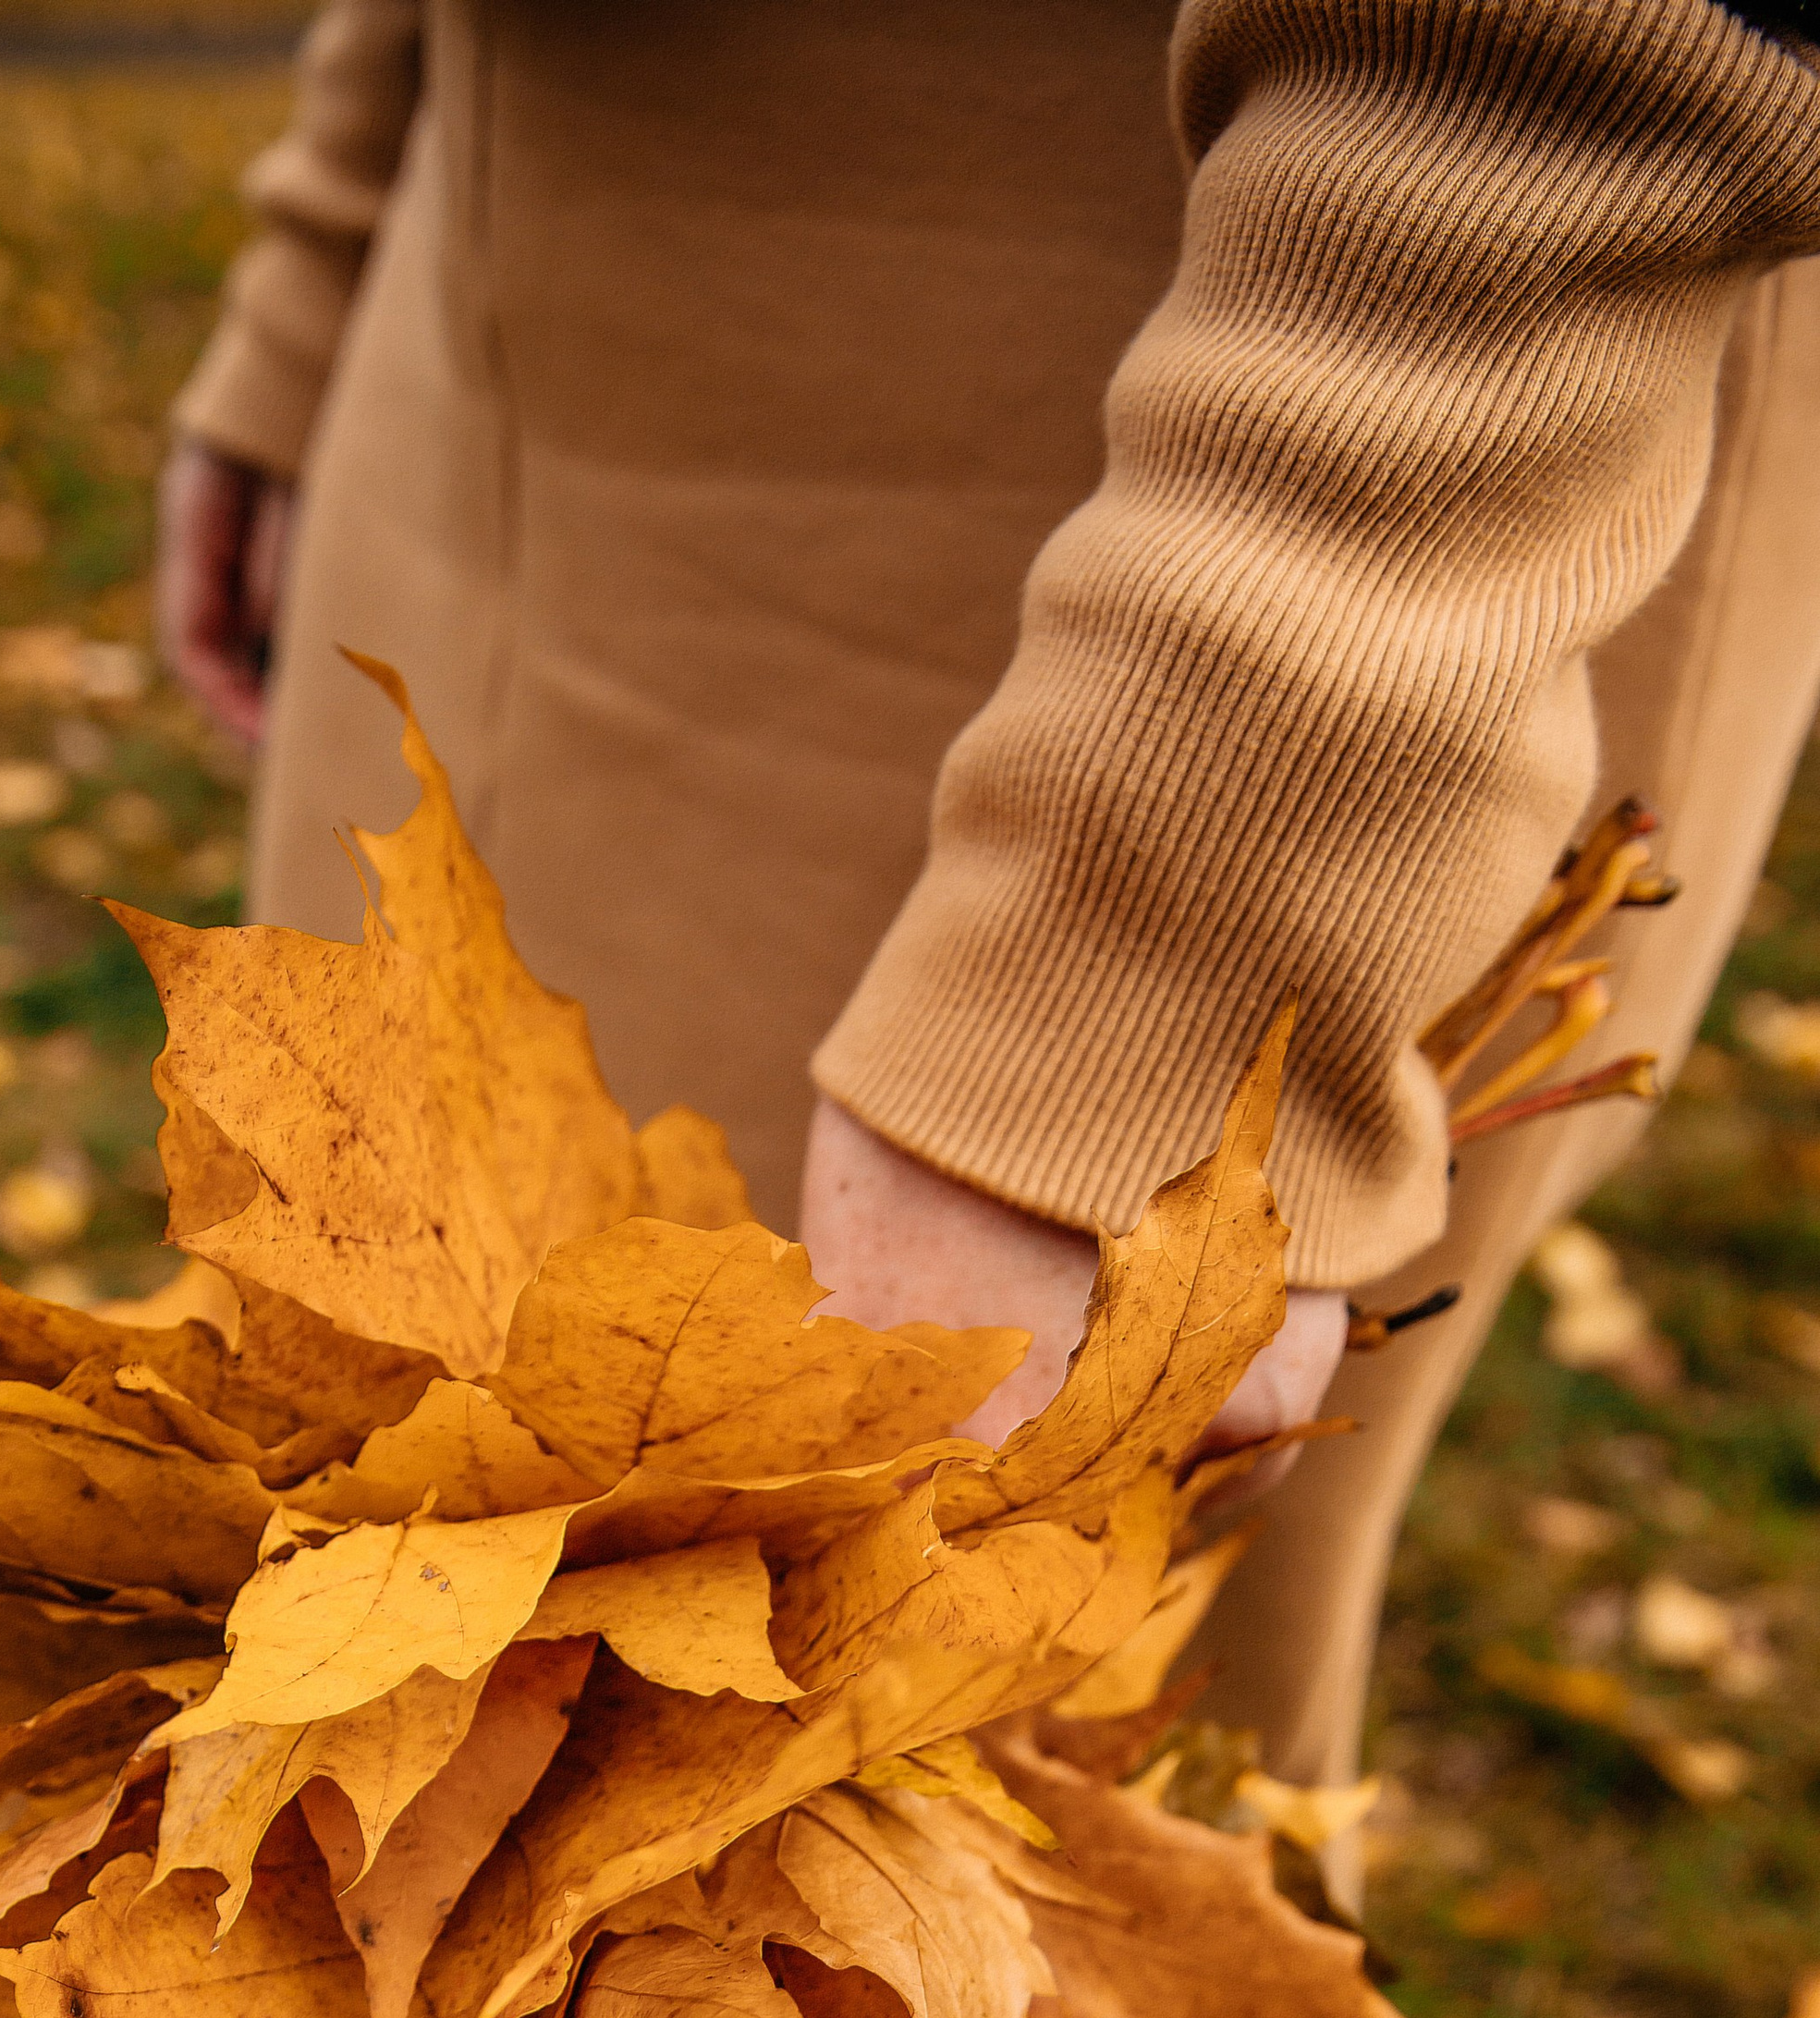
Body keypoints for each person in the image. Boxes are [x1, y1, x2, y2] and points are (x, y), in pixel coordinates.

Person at [155, 0, 1820, 1794]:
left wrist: (1165, 951)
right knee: (314, 1611)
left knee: (892, 1831)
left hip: (1253, 400)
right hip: (500, 271)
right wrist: (346, 209)